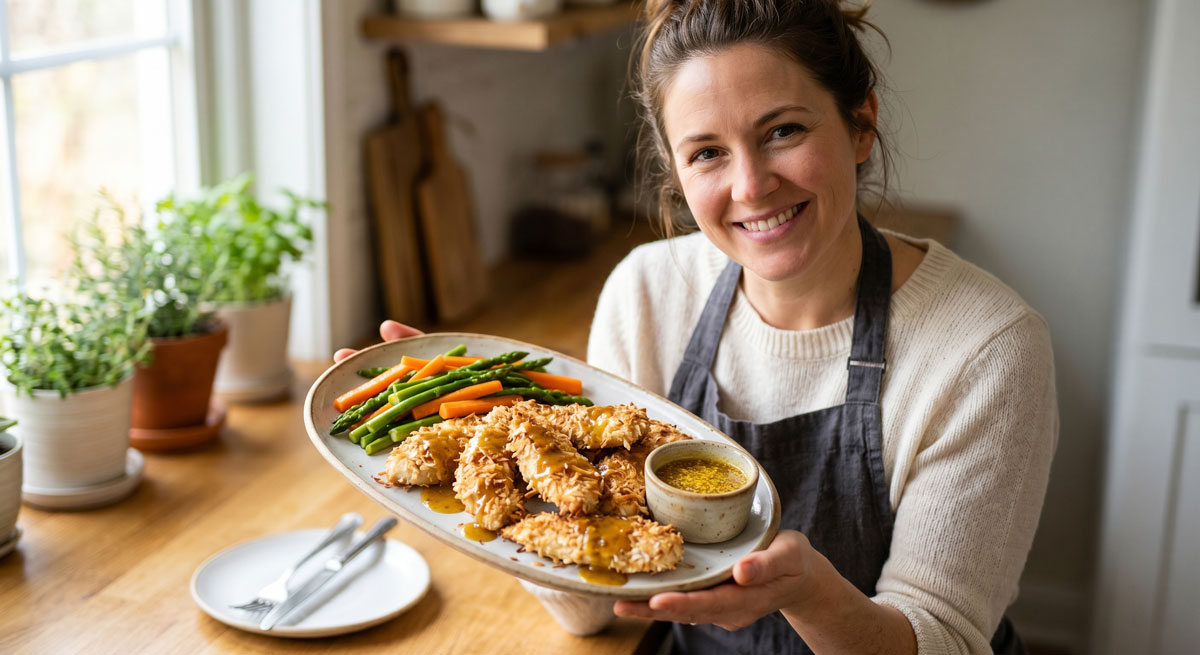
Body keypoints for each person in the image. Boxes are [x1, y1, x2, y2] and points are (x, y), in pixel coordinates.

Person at [338, 1, 1057, 653]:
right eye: (708, 151)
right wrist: (484, 439)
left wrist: (809, 593)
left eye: (783, 131)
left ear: (861, 123)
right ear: (676, 171)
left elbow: (945, 640)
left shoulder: (984, 347)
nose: (750, 186)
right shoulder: (648, 293)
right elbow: (591, 610)